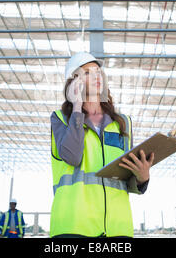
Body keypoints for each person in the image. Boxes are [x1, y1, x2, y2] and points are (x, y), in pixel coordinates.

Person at [50, 51, 154, 238]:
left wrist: (142, 179)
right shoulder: (61, 119)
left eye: (98, 72)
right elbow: (72, 157)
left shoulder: (123, 123)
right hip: (74, 227)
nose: (97, 76)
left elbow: (124, 176)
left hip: (117, 228)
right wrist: (76, 107)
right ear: (74, 82)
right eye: (87, 73)